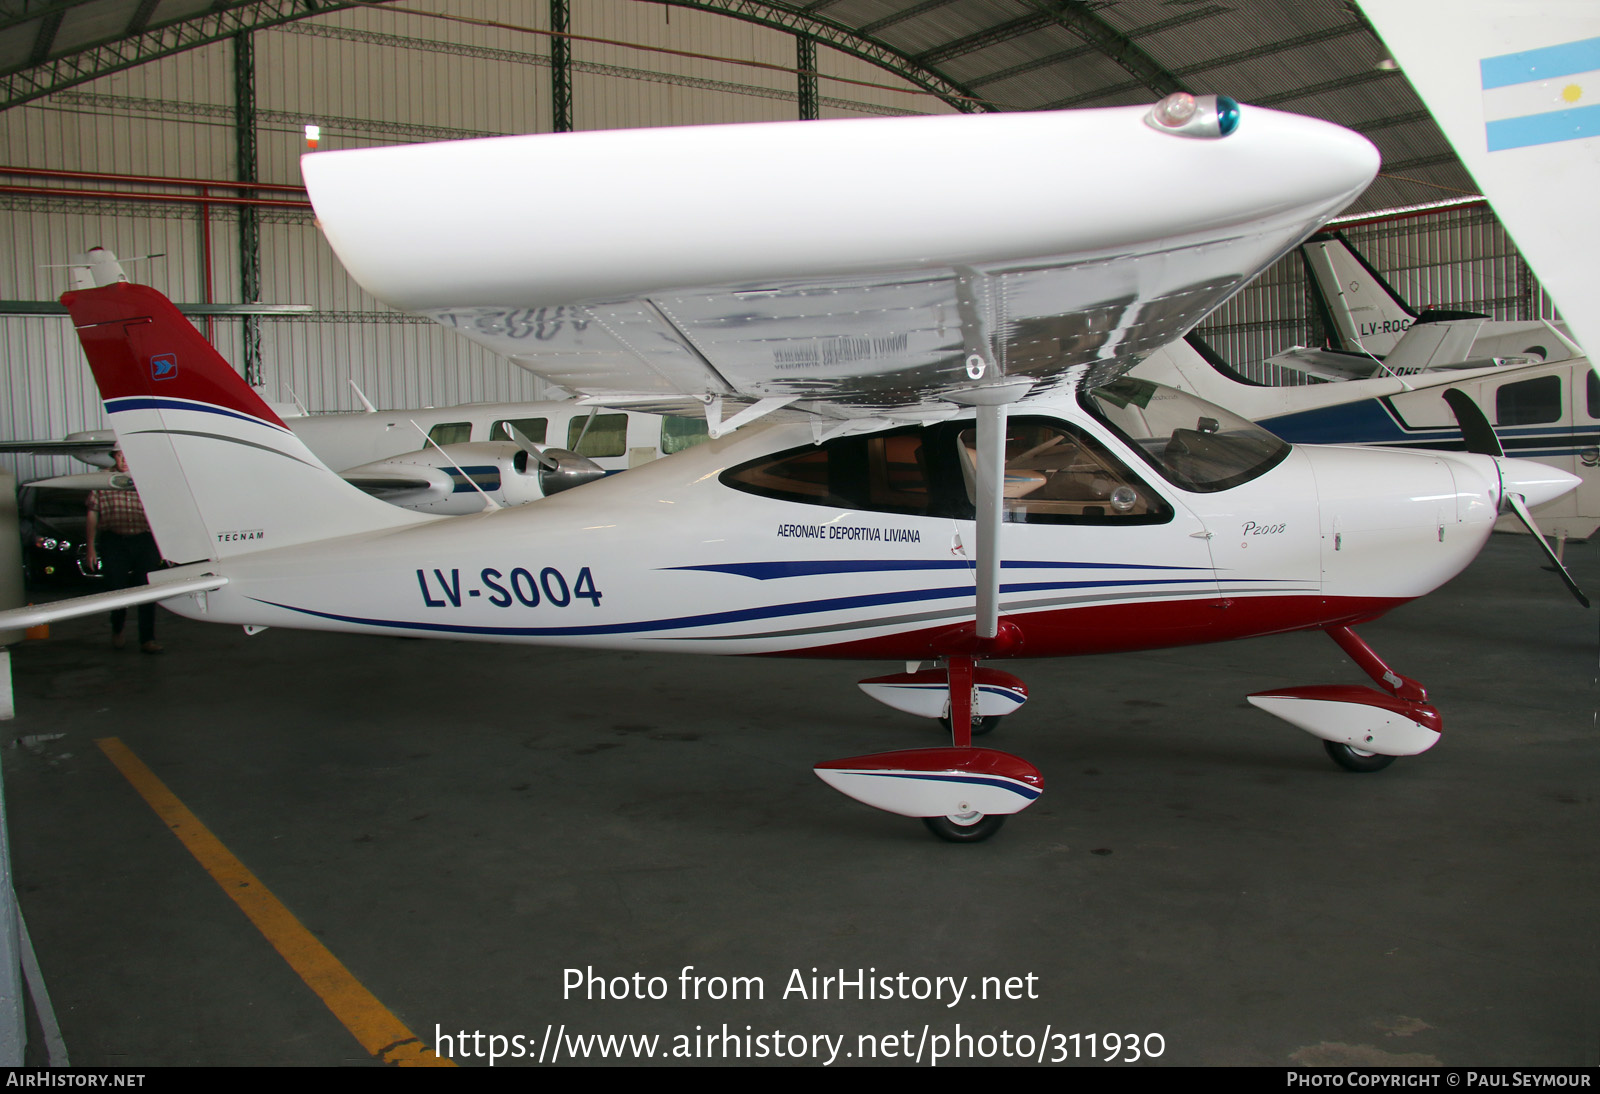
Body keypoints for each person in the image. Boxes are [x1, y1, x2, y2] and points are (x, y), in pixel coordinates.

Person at [86, 450, 163, 653]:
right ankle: (118, 628)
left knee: (147, 588)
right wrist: (91, 547)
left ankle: (147, 639)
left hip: (144, 539)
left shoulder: (146, 479)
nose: (124, 460)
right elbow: (92, 514)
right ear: (114, 457)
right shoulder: (102, 480)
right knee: (116, 588)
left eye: (128, 455)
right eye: (120, 456)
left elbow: (160, 512)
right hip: (114, 540)